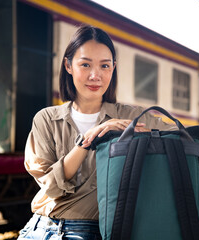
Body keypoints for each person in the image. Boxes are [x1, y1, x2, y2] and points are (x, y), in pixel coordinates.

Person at [18, 24, 175, 240]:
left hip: (88, 231)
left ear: (113, 68)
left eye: (104, 66)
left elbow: (183, 137)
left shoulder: (133, 118)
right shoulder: (46, 119)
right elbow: (50, 186)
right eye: (85, 64)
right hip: (38, 227)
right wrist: (91, 136)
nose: (95, 75)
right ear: (68, 65)